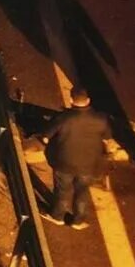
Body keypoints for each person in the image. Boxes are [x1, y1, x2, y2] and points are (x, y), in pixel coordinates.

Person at [44, 87, 114, 228]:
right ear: (88, 100)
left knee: (63, 190)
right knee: (82, 191)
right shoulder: (101, 119)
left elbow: (46, 137)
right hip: (89, 164)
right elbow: (108, 141)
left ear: (71, 100)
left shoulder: (63, 117)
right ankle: (78, 220)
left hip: (64, 162)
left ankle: (58, 216)